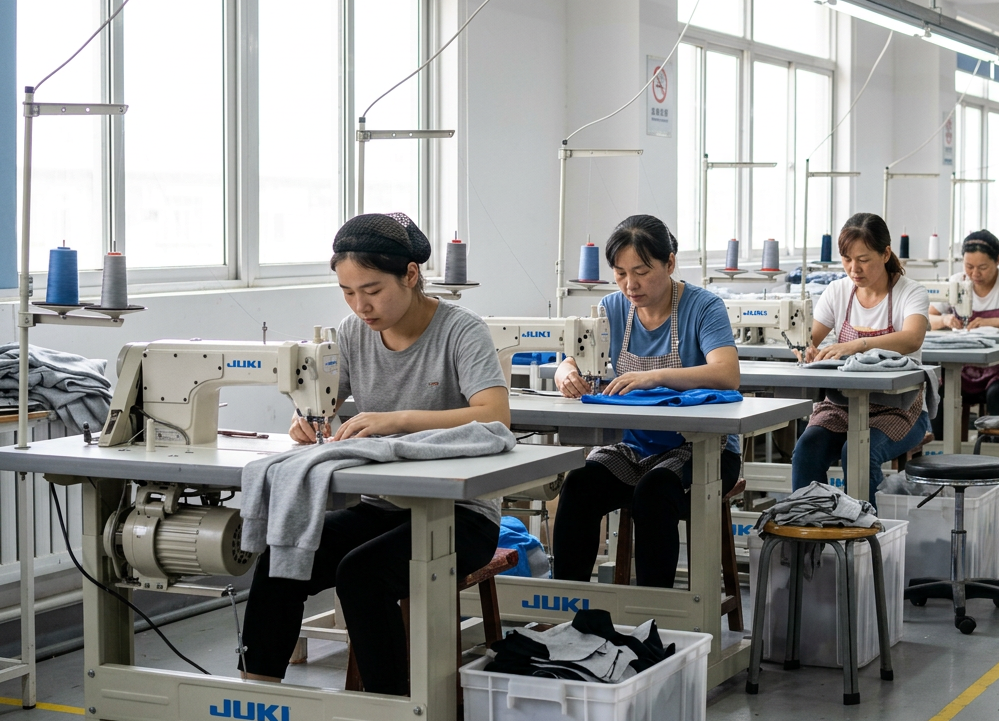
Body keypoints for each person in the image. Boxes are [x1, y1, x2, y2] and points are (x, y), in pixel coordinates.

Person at [240, 213, 511, 696]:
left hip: (461, 515)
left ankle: (390, 710)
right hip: (383, 506)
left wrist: (396, 420)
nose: (360, 305)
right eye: (347, 292)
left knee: (361, 574)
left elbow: (495, 416)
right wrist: (307, 419)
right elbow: (326, 400)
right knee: (282, 556)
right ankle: (256, 697)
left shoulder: (461, 330)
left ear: (410, 274)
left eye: (371, 290)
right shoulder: (351, 333)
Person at [551, 215, 741, 588]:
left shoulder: (703, 307)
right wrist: (565, 370)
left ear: (669, 263)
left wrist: (653, 376)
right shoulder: (612, 308)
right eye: (620, 273)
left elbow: (727, 373)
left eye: (640, 272)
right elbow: (577, 355)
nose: (630, 285)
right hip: (634, 445)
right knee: (579, 486)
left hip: (703, 448)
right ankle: (571, 607)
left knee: (654, 493)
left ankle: (657, 613)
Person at [791, 213, 931, 502]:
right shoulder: (838, 291)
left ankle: (866, 529)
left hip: (899, 408)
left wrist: (858, 345)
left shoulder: (910, 292)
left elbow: (912, 338)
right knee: (806, 451)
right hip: (841, 405)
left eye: (863, 260)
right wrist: (805, 348)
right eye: (846, 259)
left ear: (885, 254)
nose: (854, 269)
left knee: (857, 452)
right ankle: (810, 525)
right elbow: (808, 339)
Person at [929, 230, 999, 430]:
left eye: (982, 267)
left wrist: (993, 322)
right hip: (960, 369)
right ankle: (939, 448)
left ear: (998, 260)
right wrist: (944, 319)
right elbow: (926, 318)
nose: (975, 274)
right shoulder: (957, 281)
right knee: (938, 400)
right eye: (969, 266)